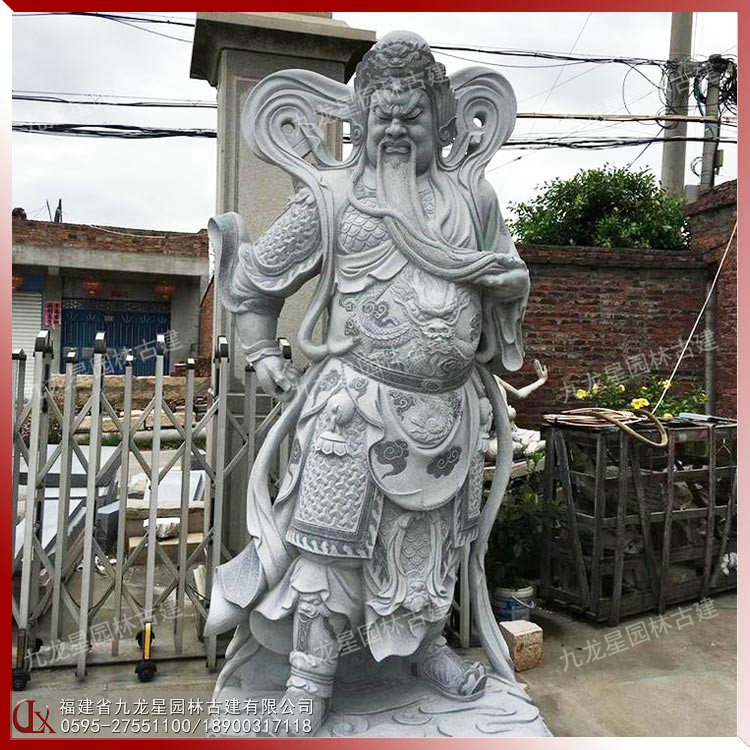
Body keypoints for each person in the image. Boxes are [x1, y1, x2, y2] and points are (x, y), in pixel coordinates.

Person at [206, 30, 529, 735]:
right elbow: (256, 280)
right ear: (360, 119)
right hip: (354, 408)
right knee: (327, 549)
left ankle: (427, 650)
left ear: (442, 121)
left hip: (448, 413)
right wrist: (262, 353)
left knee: (436, 546)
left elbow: (507, 279)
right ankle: (308, 678)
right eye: (382, 115)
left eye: (412, 116)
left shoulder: (473, 200)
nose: (395, 129)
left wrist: (510, 287)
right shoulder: (333, 197)